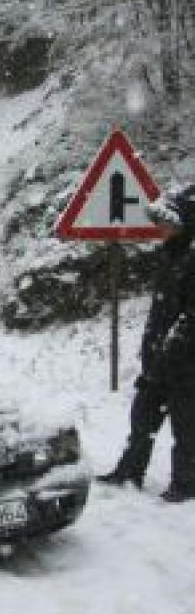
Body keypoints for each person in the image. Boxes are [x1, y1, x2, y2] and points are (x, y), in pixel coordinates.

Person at [97, 184, 195, 503]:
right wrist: (152, 353)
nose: (162, 229)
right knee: (142, 418)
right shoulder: (171, 254)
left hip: (186, 365)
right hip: (159, 359)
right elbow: (162, 311)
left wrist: (170, 351)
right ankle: (131, 470)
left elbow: (189, 319)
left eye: (169, 222)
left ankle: (185, 483)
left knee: (187, 426)